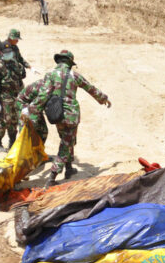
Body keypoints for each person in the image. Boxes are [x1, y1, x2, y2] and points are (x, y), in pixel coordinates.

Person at [26, 50, 111, 186]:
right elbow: (90, 88)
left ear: (59, 61)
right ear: (70, 63)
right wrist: (103, 99)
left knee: (67, 140)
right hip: (71, 116)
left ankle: (69, 168)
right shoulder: (74, 75)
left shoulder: (50, 75)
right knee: (66, 144)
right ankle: (52, 177)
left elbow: (43, 95)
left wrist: (32, 111)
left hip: (57, 115)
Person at [0, 42, 26, 152]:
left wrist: (21, 68)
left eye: (10, 52)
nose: (9, 54)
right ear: (0, 53)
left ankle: (12, 142)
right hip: (4, 98)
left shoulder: (14, 62)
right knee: (5, 121)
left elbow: (21, 76)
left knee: (15, 120)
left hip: (16, 96)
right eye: (6, 53)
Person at [18, 79, 49, 144]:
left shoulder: (54, 87)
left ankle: (37, 150)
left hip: (35, 105)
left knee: (43, 131)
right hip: (23, 104)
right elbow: (38, 103)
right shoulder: (44, 88)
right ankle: (25, 151)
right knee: (26, 130)